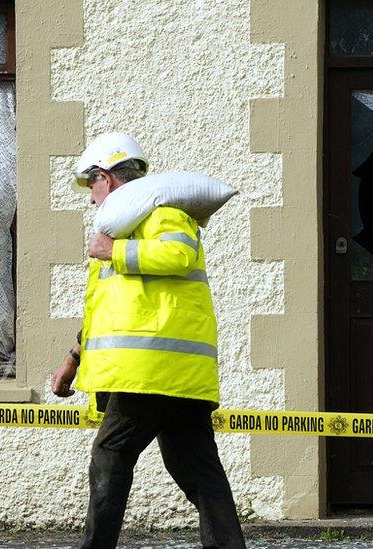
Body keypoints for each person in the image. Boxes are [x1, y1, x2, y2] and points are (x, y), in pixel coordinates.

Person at [50, 132, 246, 549]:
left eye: (91, 185)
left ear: (106, 176)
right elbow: (109, 311)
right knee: (195, 469)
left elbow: (179, 255)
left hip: (150, 373)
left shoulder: (161, 212)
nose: (91, 199)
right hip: (173, 374)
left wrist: (115, 252)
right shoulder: (128, 222)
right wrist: (73, 357)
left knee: (111, 454)